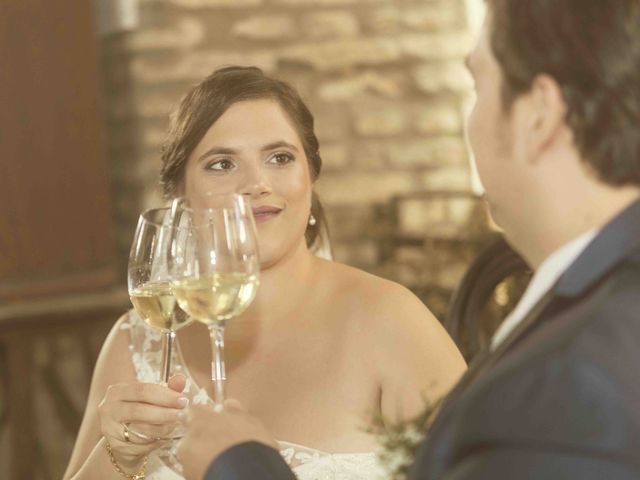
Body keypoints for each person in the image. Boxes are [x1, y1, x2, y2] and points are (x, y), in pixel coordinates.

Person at [176, 1, 640, 479]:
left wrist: (239, 467)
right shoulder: (581, 305)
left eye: (477, 87)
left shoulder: (588, 362)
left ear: (538, 115)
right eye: (222, 163)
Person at [63, 66, 466, 480]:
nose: (256, 183)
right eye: (221, 164)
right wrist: (120, 457)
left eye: (279, 158)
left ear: (310, 176)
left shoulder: (391, 321)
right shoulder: (138, 341)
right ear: (179, 194)